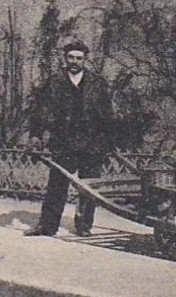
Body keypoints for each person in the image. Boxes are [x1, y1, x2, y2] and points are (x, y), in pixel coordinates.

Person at [26, 40, 115, 237]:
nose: (74, 61)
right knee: (57, 185)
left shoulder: (97, 83)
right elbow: (40, 110)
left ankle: (84, 226)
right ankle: (48, 226)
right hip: (63, 142)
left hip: (92, 143)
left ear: (85, 60)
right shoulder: (54, 82)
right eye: (71, 57)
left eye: (79, 58)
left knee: (89, 188)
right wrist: (35, 135)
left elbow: (107, 114)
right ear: (65, 58)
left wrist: (109, 142)